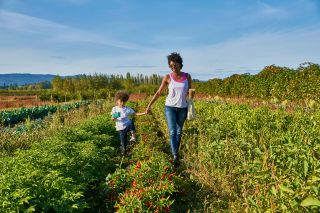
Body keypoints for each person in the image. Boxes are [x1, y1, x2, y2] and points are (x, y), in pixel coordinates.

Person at [145, 52, 193, 166]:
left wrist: (191, 96)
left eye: (175, 65)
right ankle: (175, 155)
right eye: (171, 66)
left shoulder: (187, 76)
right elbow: (158, 92)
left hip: (182, 108)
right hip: (170, 107)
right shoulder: (167, 77)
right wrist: (149, 105)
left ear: (180, 64)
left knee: (179, 131)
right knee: (172, 131)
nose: (173, 67)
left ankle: (176, 152)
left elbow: (190, 92)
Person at [111, 91, 145, 155]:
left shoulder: (127, 108)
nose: (122, 103)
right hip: (120, 127)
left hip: (127, 125)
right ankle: (124, 151)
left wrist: (144, 113)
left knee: (131, 121)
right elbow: (112, 118)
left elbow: (135, 114)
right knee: (124, 141)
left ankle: (133, 136)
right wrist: (114, 117)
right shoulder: (115, 109)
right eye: (121, 101)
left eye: (124, 101)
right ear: (117, 101)